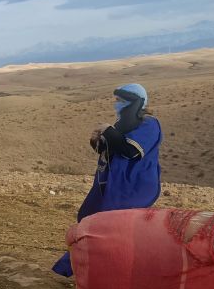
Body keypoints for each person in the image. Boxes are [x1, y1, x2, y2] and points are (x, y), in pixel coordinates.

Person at [52, 83, 162, 276]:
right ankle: (78, 268)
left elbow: (131, 151)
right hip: (109, 186)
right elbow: (109, 152)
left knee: (103, 229)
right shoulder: (122, 124)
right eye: (117, 101)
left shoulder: (149, 124)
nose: (117, 105)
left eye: (121, 101)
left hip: (131, 189)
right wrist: (97, 140)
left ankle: (70, 270)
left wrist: (108, 131)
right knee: (89, 221)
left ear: (135, 103)